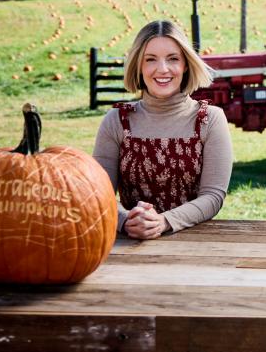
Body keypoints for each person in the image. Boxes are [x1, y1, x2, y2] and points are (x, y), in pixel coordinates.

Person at [93, 20, 233, 239]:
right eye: (150, 60)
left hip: (196, 242)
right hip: (129, 243)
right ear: (139, 65)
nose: (163, 69)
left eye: (173, 59)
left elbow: (213, 196)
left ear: (186, 64)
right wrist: (126, 219)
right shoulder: (116, 121)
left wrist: (164, 221)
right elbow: (99, 194)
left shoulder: (210, 120)